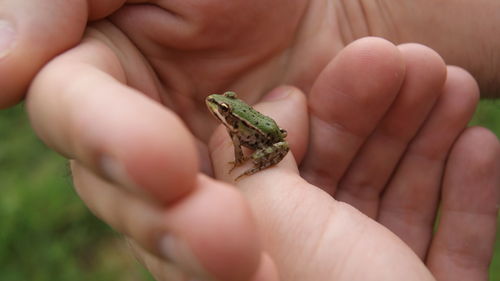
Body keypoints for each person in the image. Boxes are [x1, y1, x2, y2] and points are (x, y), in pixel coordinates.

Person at [1, 1, 499, 280]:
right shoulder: (231, 111)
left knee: (250, 159)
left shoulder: (234, 126)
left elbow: (253, 141)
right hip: (269, 127)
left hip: (270, 138)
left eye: (222, 107)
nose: (217, 109)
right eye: (221, 106)